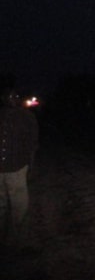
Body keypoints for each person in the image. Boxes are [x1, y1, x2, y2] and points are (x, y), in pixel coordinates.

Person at [0, 88, 39, 245]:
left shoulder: (27, 116)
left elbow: (32, 143)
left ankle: (18, 239)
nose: (11, 99)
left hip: (17, 166)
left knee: (19, 205)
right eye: (7, 96)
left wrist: (30, 165)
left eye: (14, 96)